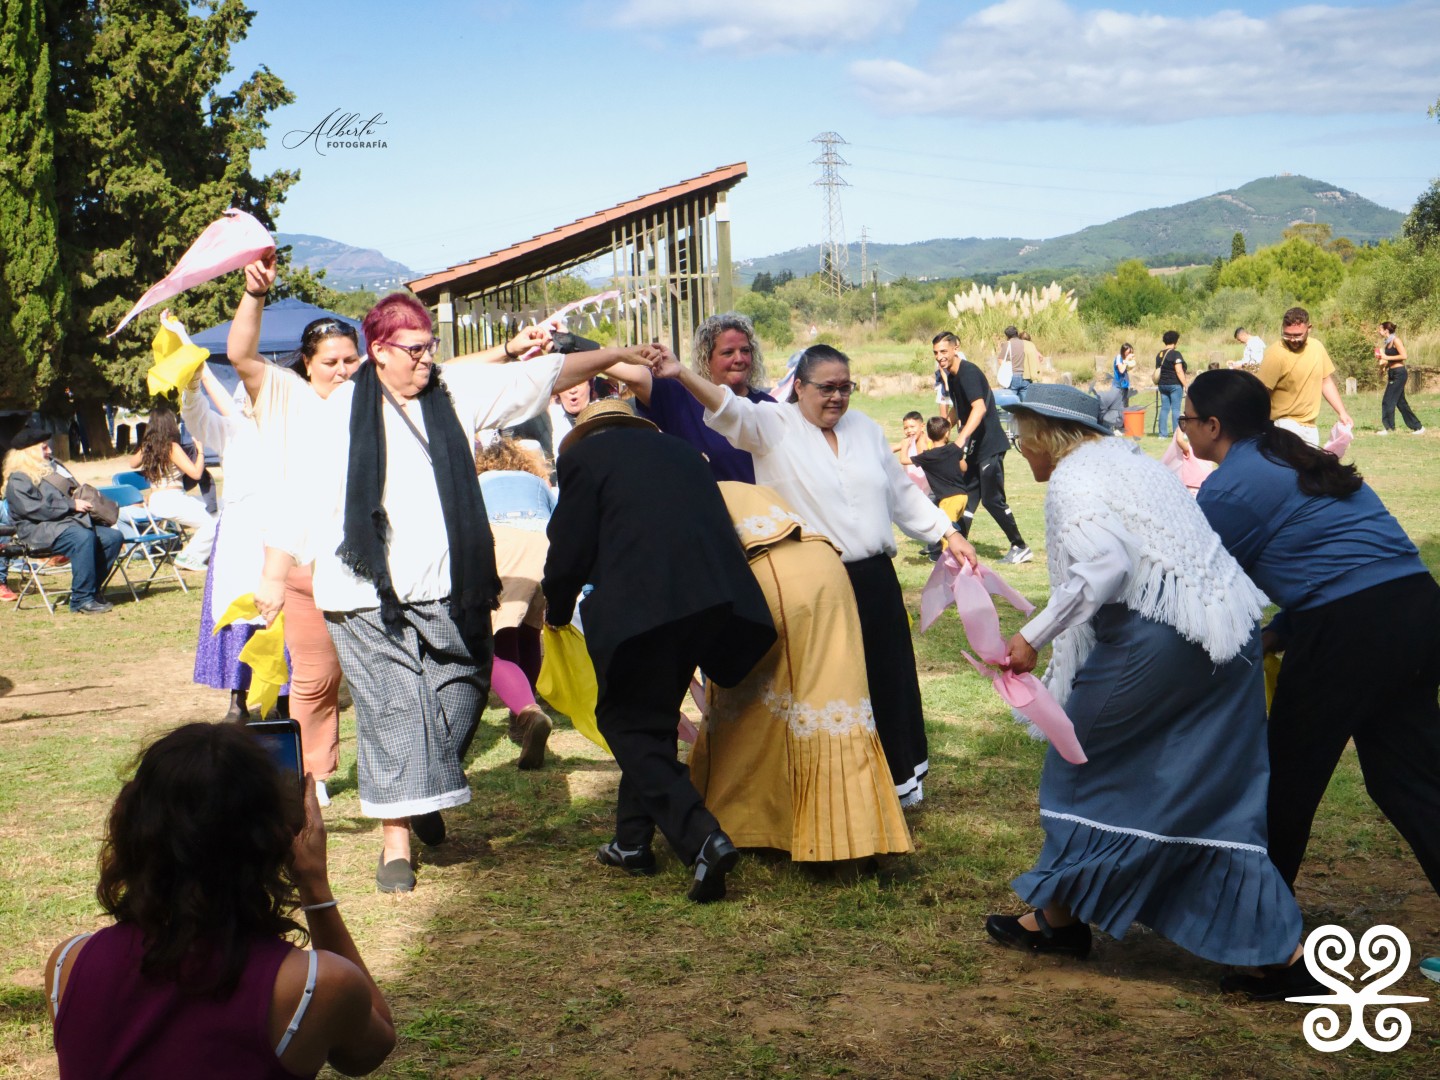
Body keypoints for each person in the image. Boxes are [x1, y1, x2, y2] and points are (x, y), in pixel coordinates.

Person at [255, 293, 647, 893]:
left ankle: (424, 787)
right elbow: (296, 502)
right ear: (379, 352)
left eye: (430, 347)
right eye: (414, 350)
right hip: (362, 592)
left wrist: (613, 353)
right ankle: (396, 846)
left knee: (464, 686)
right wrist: (272, 576)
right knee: (395, 707)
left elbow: (538, 375)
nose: (425, 359)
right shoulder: (333, 415)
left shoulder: (453, 392)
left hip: (451, 588)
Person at [987, 384, 1308, 999]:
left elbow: (1105, 569)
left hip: (1160, 639)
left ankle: (1060, 921)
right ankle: (1279, 957)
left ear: (1049, 436)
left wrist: (1030, 638)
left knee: (1080, 765)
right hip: (1229, 632)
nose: (1018, 448)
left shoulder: (1077, 478)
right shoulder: (1131, 464)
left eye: (1021, 435)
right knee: (1210, 789)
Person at [652, 343, 978, 808]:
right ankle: (827, 796)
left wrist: (948, 533)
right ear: (799, 387)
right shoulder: (771, 425)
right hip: (813, 584)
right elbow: (726, 406)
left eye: (846, 387)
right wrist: (680, 372)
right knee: (824, 689)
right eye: (826, 388)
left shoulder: (865, 429)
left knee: (885, 680)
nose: (837, 397)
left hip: (875, 581)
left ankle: (892, 784)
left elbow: (901, 495)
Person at [1186, 370, 1440, 906]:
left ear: (1213, 426)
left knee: (1285, 779)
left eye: (1187, 420)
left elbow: (1192, 581)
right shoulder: (1295, 455)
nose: (1184, 430)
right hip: (1417, 610)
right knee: (1408, 778)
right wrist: (1281, 631)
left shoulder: (1231, 486)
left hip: (1350, 630)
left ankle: (1254, 931)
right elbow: (1352, 562)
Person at [46, 722, 395, 1078]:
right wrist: (314, 885)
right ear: (275, 837)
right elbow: (369, 1050)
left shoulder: (67, 965)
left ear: (131, 825)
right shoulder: (315, 985)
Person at [542, 399, 776, 901]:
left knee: (625, 725)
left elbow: (569, 544)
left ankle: (702, 838)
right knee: (649, 718)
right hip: (715, 601)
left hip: (643, 607)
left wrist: (557, 607)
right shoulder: (682, 452)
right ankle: (631, 844)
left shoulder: (582, 460)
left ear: (585, 436)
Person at [689, 481, 912, 864]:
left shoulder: (673, 498)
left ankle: (757, 824)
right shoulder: (734, 488)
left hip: (769, 574)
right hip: (826, 566)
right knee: (830, 700)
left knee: (747, 698)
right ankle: (850, 835)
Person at [228, 260, 374, 799]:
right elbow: (242, 355)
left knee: (379, 677)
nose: (342, 370)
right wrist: (253, 295)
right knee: (315, 680)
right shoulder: (285, 396)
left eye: (350, 359)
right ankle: (315, 775)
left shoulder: (372, 401)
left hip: (370, 561)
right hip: (305, 566)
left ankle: (398, 770)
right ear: (306, 364)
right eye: (330, 361)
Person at [180, 340, 280, 724]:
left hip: (281, 536)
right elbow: (199, 416)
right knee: (239, 614)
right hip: (240, 537)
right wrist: (192, 381)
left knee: (279, 618)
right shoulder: (234, 431)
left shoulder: (291, 431)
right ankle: (238, 699)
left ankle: (280, 698)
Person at [604, 311, 775, 483]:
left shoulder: (767, 406)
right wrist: (583, 349)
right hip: (708, 508)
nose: (739, 358)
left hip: (765, 508)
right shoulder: (681, 399)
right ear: (706, 359)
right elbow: (633, 376)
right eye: (728, 353)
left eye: (745, 350)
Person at [475, 435, 557, 766]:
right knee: (528, 633)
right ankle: (523, 714)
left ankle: (524, 711)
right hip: (543, 548)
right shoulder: (538, 484)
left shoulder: (480, 481)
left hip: (503, 546)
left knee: (495, 642)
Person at [933, 332, 1032, 564]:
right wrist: (940, 432)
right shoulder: (953, 376)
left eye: (943, 351)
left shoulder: (967, 373)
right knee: (967, 498)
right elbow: (958, 408)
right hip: (977, 448)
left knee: (992, 499)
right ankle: (955, 546)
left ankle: (1020, 546)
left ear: (956, 348)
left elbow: (979, 409)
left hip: (990, 445)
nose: (939, 357)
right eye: (936, 353)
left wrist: (960, 439)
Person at [2, 437, 122, 614]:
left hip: (63, 524)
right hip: (38, 529)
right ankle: (81, 600)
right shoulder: (18, 479)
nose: (49, 451)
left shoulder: (51, 470)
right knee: (81, 537)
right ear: (29, 454)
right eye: (44, 448)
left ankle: (91, 590)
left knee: (112, 537)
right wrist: (70, 506)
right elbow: (32, 509)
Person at [130, 405, 217, 571]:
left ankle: (197, 555)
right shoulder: (172, 448)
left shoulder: (147, 447)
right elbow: (196, 474)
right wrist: (200, 452)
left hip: (156, 500)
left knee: (214, 516)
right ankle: (190, 556)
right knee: (213, 521)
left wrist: (146, 446)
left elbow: (132, 463)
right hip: (172, 500)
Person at [1255, 306, 1352, 446]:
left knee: (1309, 468)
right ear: (1282, 328)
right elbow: (1261, 393)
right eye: (1287, 334)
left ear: (1309, 328)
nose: (1293, 340)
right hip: (1283, 425)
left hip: (1310, 427)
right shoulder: (1275, 354)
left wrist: (1342, 412)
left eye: (1297, 335)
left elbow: (1326, 382)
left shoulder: (1317, 347)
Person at [904, 416, 969, 530]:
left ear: (929, 435)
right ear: (947, 434)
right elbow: (964, 468)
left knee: (946, 530)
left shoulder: (927, 456)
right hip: (962, 496)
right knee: (950, 527)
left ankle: (948, 548)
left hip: (949, 499)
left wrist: (905, 445)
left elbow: (903, 460)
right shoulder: (954, 449)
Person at [1375, 321, 1424, 435]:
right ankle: (1418, 427)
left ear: (1386, 330)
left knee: (1387, 400)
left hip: (1399, 374)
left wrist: (1386, 356)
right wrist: (1383, 366)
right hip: (1392, 372)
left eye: (1380, 329)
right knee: (1401, 403)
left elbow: (1404, 356)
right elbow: (1390, 360)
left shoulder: (1396, 340)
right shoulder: (1387, 343)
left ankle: (1389, 428)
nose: (1379, 331)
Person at [1153, 330, 1188, 438]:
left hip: (1162, 385)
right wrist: (1186, 384)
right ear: (1175, 341)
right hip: (1174, 385)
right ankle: (1177, 433)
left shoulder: (1159, 354)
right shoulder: (1176, 354)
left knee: (1164, 408)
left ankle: (1162, 434)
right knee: (1176, 409)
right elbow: (1179, 371)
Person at [891, 410, 933, 497]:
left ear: (922, 426)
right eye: (905, 428)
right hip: (910, 489)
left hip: (928, 490)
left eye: (912, 427)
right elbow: (890, 449)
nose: (909, 430)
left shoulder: (929, 443)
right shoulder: (907, 442)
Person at [998, 325, 1027, 393]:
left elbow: (1000, 360)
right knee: (1024, 402)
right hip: (1026, 376)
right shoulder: (1024, 343)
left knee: (1012, 401)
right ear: (1017, 333)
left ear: (1007, 335)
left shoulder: (1008, 344)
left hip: (1013, 376)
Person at [1112, 343, 1134, 408]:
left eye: (1131, 352)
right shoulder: (1119, 357)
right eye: (1129, 352)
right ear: (1124, 351)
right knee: (1118, 408)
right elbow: (1121, 370)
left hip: (1125, 386)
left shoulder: (1125, 359)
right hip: (1118, 386)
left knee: (1125, 407)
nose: (1130, 354)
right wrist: (1127, 360)